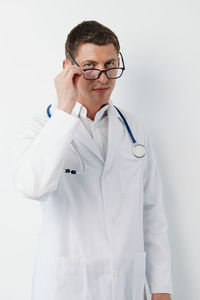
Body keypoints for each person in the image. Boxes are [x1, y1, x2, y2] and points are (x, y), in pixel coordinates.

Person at [12, 20, 173, 300]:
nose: (103, 77)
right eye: (90, 66)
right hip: (68, 287)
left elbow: (152, 214)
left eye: (110, 64)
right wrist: (64, 111)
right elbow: (32, 186)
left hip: (125, 284)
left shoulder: (134, 130)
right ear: (68, 69)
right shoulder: (41, 128)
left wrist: (160, 288)